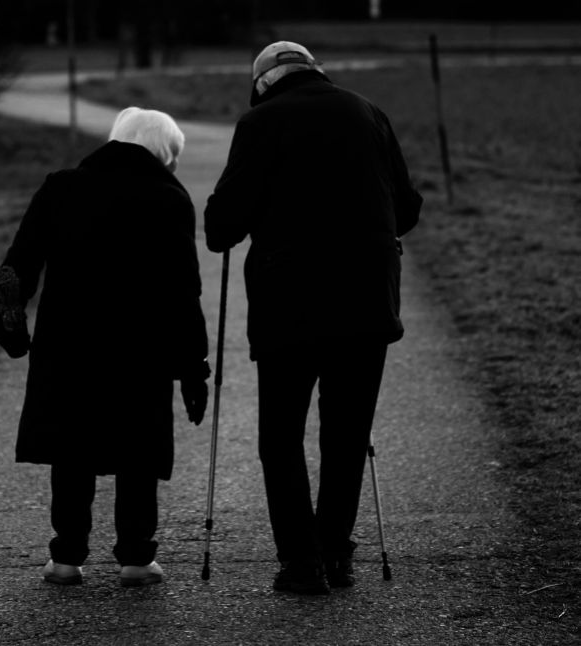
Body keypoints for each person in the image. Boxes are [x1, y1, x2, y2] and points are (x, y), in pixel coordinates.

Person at [204, 42, 422, 594]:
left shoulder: (259, 123)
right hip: (367, 301)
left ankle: (301, 563)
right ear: (313, 70)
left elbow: (222, 227)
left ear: (263, 82)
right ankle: (337, 555)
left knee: (281, 436)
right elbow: (408, 206)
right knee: (347, 435)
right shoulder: (369, 112)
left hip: (288, 305)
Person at [0, 107, 210, 587]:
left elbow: (18, 264)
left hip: (68, 341)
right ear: (164, 153)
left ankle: (66, 556)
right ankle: (135, 557)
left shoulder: (61, 187)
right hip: (141, 347)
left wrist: (7, 321)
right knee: (138, 448)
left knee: (72, 445)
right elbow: (182, 291)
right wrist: (194, 367)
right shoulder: (169, 198)